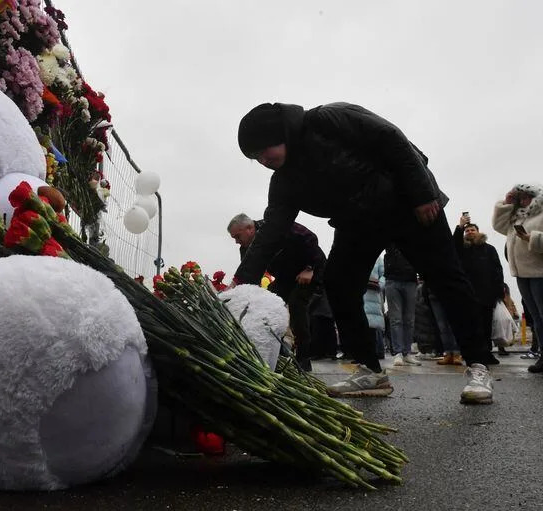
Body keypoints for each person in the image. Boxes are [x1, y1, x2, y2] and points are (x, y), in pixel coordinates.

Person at [232, 101, 495, 404]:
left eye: (265, 149)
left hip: (408, 204)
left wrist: (423, 194)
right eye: (256, 157)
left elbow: (391, 138)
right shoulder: (284, 181)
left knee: (445, 276)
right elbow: (272, 231)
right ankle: (369, 369)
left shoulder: (327, 119)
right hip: (358, 221)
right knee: (339, 284)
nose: (263, 159)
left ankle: (478, 364)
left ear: (283, 133)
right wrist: (243, 280)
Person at [227, 213, 326, 371]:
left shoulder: (276, 225)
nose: (236, 241)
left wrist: (310, 268)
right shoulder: (246, 248)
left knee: (296, 304)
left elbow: (310, 238)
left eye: (237, 236)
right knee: (267, 303)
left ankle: (303, 358)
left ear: (249, 228)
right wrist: (236, 288)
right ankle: (279, 348)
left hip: (309, 270)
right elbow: (248, 270)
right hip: (285, 276)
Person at [492, 184, 543, 373]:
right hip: (522, 274)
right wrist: (506, 202)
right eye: (519, 198)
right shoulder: (517, 217)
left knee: (542, 315)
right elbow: (498, 226)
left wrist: (532, 238)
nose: (522, 201)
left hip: (540, 273)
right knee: (536, 317)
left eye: (525, 197)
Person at [454, 215, 505, 359]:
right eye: (467, 230)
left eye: (472, 230)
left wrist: (499, 292)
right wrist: (460, 227)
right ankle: (472, 354)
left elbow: (497, 270)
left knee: (486, 326)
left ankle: (487, 353)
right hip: (468, 294)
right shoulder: (463, 249)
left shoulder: (489, 249)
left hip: (486, 294)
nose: (469, 232)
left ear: (478, 231)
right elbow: (454, 244)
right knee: (470, 326)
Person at [384, 245, 421, 366]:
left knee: (409, 320)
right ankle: (398, 353)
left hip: (410, 280)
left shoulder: (413, 237)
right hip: (392, 279)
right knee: (396, 319)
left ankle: (407, 353)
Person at [364, 255, 388, 362]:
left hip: (373, 292)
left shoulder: (378, 258)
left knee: (373, 323)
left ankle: (377, 351)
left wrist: (379, 284)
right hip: (358, 293)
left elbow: (384, 275)